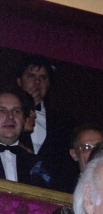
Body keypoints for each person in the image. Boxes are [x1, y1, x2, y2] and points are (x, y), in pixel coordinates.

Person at [16, 55, 76, 192]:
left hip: (51, 191)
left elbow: (67, 165)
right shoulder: (6, 113)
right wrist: (26, 106)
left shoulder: (63, 121)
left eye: (43, 78)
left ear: (48, 84)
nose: (37, 82)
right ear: (19, 81)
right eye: (31, 76)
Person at [0, 88, 50, 188]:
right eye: (2, 110)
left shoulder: (36, 164)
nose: (10, 116)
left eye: (16, 111)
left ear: (23, 120)